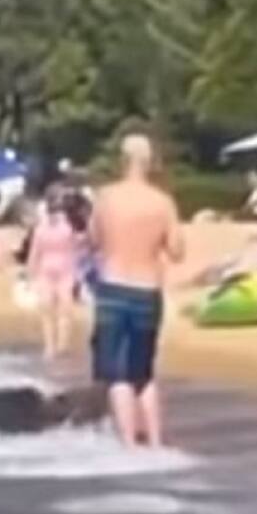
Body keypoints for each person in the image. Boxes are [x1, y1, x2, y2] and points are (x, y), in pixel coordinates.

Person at [88, 131, 185, 448]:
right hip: (147, 290)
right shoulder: (162, 202)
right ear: (150, 162)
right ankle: (155, 443)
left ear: (122, 160)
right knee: (143, 373)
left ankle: (129, 446)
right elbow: (176, 251)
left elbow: (93, 241)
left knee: (117, 375)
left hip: (113, 288)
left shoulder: (106, 198)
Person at [26, 186, 79, 361]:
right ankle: (53, 346)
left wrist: (30, 274)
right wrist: (30, 274)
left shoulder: (62, 225)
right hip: (54, 270)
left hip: (60, 269)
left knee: (59, 309)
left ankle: (57, 345)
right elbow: (35, 252)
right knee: (54, 309)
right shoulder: (48, 227)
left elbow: (35, 253)